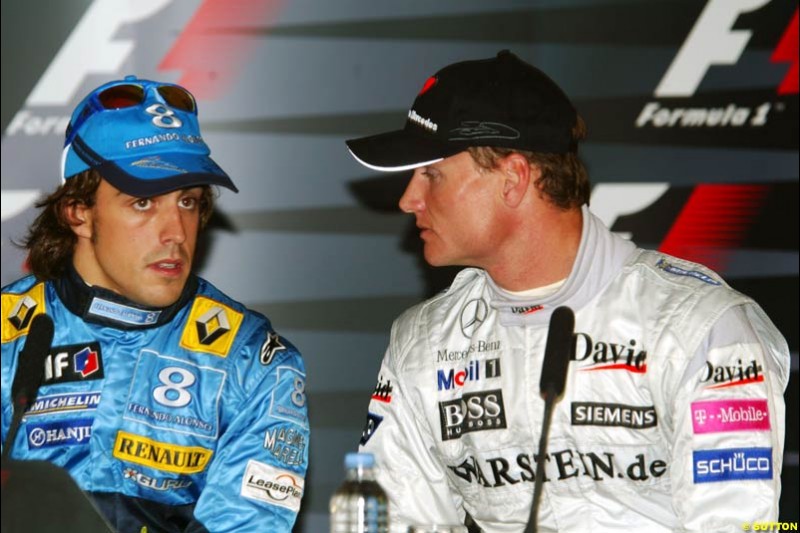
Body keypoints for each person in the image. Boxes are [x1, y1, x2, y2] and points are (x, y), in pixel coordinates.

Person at [345, 51, 790, 533]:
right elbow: (395, 522)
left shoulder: (701, 326)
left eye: (431, 174)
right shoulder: (424, 344)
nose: (408, 199)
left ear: (513, 179)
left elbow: (738, 526)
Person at [1, 77, 308, 532]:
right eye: (143, 201)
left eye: (187, 201)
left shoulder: (253, 362)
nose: (176, 233)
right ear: (78, 212)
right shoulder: (10, 334)